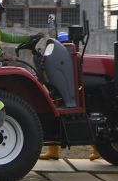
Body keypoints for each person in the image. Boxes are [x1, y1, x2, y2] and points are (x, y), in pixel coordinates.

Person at [39, 32, 101, 161]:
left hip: (73, 96)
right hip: (60, 92)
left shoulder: (72, 58)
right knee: (54, 119)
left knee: (83, 122)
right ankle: (53, 151)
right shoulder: (63, 57)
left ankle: (97, 150)